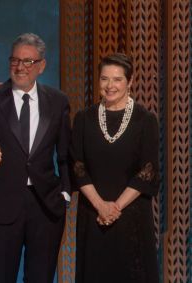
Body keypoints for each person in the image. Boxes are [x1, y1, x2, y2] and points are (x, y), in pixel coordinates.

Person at [0, 33, 71, 283]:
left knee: (41, 277)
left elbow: (65, 153)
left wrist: (65, 194)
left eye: (28, 61)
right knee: (0, 277)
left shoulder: (58, 101)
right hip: (2, 204)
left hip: (46, 206)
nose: (20, 67)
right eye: (15, 60)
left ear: (41, 66)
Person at [71, 53, 159, 283]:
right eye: (104, 79)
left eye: (117, 79)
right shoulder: (84, 118)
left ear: (129, 82)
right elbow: (77, 166)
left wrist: (114, 208)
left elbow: (147, 170)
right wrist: (101, 206)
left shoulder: (145, 120)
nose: (110, 86)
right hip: (94, 216)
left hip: (132, 217)